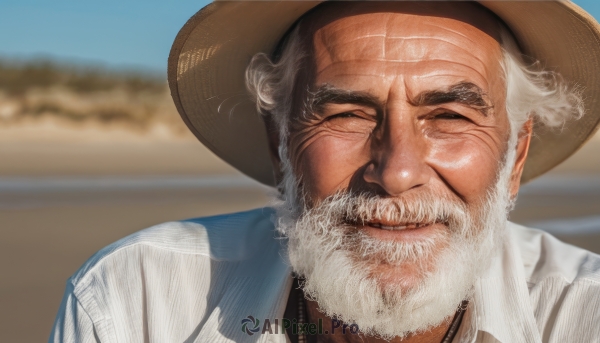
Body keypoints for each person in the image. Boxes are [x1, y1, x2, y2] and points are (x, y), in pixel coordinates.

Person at [50, 1, 600, 342]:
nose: (397, 171)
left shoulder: (585, 314)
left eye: (449, 116)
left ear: (515, 157)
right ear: (280, 145)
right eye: (346, 114)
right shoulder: (134, 300)